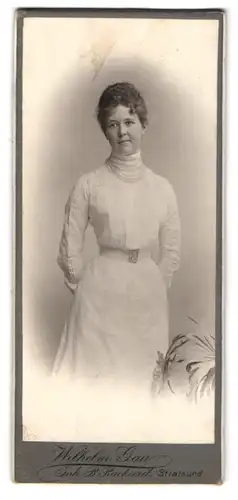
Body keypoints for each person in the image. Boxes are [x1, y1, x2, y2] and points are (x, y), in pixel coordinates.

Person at [53, 82, 180, 389]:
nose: (122, 131)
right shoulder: (89, 184)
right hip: (100, 292)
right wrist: (83, 286)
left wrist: (155, 283)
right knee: (94, 385)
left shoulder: (162, 188)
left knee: (139, 383)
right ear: (105, 131)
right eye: (113, 124)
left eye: (129, 121)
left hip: (147, 293)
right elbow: (70, 242)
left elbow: (172, 248)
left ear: (143, 125)